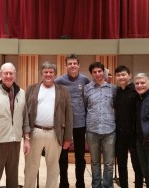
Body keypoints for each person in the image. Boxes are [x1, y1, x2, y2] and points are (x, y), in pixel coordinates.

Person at [0, 62, 30, 188]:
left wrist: (27, 139)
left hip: (15, 141)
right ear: (0, 75)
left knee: (13, 177)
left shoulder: (22, 93)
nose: (8, 76)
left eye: (11, 73)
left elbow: (25, 119)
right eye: (5, 73)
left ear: (15, 75)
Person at [24, 61, 73, 188]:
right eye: (45, 72)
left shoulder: (63, 91)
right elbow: (25, 112)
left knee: (53, 167)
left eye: (51, 72)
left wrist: (68, 137)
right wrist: (26, 135)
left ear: (55, 75)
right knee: (31, 166)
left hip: (55, 133)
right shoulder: (31, 89)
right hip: (35, 132)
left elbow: (68, 114)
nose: (48, 74)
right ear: (41, 74)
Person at [55, 54, 90, 188]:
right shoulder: (59, 81)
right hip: (64, 125)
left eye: (75, 63)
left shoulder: (85, 80)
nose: (72, 66)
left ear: (79, 65)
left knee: (80, 156)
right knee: (63, 156)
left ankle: (80, 182)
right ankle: (64, 182)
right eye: (70, 64)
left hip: (80, 123)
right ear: (66, 66)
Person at [83, 62, 116, 188]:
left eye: (99, 71)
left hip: (109, 130)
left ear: (104, 72)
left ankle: (108, 186)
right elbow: (85, 107)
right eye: (94, 72)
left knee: (108, 163)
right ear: (91, 74)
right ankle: (96, 185)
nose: (97, 74)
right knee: (95, 161)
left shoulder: (113, 89)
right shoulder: (87, 89)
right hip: (92, 130)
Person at [114, 65, 143, 188]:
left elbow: (148, 93)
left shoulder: (136, 90)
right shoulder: (116, 91)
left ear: (129, 75)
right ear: (116, 77)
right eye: (119, 75)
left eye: (123, 74)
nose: (121, 77)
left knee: (137, 165)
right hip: (120, 134)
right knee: (121, 164)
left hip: (134, 134)